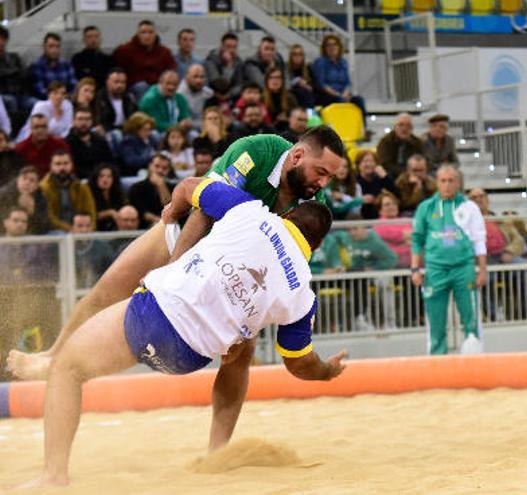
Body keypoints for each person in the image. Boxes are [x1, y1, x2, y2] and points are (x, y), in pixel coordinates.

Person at [7, 128, 346, 454]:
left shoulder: (310, 198)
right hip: (185, 235)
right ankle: (52, 355)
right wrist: (173, 269)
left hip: (223, 275)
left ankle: (218, 451)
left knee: (239, 359)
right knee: (106, 290)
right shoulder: (258, 151)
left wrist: (247, 319)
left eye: (330, 177)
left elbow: (286, 262)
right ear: (297, 155)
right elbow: (202, 208)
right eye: (320, 173)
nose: (323, 184)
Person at [411, 165, 487, 355]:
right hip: (435, 270)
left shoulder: (469, 207)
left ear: (459, 183)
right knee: (435, 321)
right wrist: (415, 269)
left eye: (451, 180)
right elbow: (417, 240)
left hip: (464, 268)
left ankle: (474, 361)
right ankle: (437, 364)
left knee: (471, 319)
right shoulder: (425, 207)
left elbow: (479, 239)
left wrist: (483, 270)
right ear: (437, 183)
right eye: (443, 181)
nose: (446, 185)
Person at [112, 20, 177, 99]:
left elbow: (171, 71)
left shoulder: (164, 52)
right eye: (143, 32)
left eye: (150, 32)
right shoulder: (125, 50)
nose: (147, 36)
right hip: (134, 86)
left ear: (155, 34)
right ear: (138, 34)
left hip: (158, 85)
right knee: (141, 87)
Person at [312, 34, 366, 122]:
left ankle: (362, 128)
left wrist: (345, 93)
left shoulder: (343, 62)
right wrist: (338, 95)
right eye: (329, 45)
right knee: (339, 100)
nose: (332, 47)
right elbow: (321, 84)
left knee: (359, 100)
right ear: (324, 48)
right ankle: (342, 127)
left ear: (339, 46)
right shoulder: (320, 62)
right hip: (326, 95)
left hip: (342, 95)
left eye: (334, 44)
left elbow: (348, 83)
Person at [39, 150, 97, 232]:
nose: (62, 168)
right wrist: (70, 229)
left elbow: (91, 213)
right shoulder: (43, 188)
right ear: (51, 166)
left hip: (82, 230)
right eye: (58, 164)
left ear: (71, 165)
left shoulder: (81, 187)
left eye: (66, 163)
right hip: (55, 231)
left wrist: (88, 229)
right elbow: (49, 217)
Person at [66, 107, 116, 180]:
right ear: (73, 121)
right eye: (80, 119)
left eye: (87, 119)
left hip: (102, 178)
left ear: (92, 121)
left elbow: (110, 161)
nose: (84, 123)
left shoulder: (100, 140)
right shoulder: (67, 142)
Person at [0, 165, 51, 234]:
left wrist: (32, 213)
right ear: (18, 180)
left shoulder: (41, 199)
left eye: (32, 181)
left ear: (36, 186)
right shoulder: (4, 194)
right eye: (24, 178)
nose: (27, 183)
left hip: (30, 235)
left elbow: (45, 227)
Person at [70, 213, 116, 288]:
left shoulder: (103, 247)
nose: (84, 230)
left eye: (88, 226)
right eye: (80, 226)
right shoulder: (65, 247)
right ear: (72, 228)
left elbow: (113, 273)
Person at [128, 154, 174, 229]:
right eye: (157, 166)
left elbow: (170, 209)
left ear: (168, 171)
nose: (160, 170)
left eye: (164, 168)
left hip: (167, 226)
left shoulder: (173, 188)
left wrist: (161, 186)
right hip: (143, 228)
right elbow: (143, 213)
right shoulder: (136, 188)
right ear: (150, 166)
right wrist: (161, 223)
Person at [29, 32, 77, 100]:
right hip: (46, 101)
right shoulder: (37, 66)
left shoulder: (66, 64)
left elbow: (74, 85)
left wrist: (69, 96)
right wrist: (57, 97)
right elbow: (40, 90)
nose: (54, 50)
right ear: (44, 47)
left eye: (57, 46)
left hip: (66, 99)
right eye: (51, 46)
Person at [377, 113, 423, 179]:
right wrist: (404, 172)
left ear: (412, 128)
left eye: (408, 125)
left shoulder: (417, 143)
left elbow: (421, 160)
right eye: (401, 125)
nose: (404, 128)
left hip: (412, 175)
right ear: (395, 127)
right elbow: (385, 164)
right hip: (390, 176)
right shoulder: (385, 142)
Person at [356, 149, 398, 220]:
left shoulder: (381, 179)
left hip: (381, 218)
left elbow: (396, 195)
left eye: (372, 161)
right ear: (358, 165)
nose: (369, 164)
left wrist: (385, 177)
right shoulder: (354, 180)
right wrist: (361, 200)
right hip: (360, 218)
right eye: (365, 161)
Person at [374, 192, 412, 269]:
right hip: (392, 266)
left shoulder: (405, 220)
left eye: (394, 203)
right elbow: (398, 237)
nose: (392, 206)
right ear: (380, 210)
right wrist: (407, 238)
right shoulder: (378, 224)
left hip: (412, 264)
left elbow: (416, 236)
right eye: (387, 205)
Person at [95, 68, 138, 133]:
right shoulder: (99, 99)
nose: (120, 85)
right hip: (108, 131)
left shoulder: (129, 98)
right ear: (107, 82)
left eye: (123, 82)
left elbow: (135, 117)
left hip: (127, 130)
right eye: (116, 82)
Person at [204, 33, 246, 97]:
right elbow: (216, 82)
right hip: (212, 95)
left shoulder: (239, 62)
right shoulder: (211, 59)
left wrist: (230, 94)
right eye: (228, 46)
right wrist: (228, 66)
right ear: (221, 46)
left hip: (230, 96)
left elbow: (239, 84)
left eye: (234, 47)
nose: (231, 50)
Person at [118, 112, 160, 176]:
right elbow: (131, 161)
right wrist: (153, 158)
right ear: (135, 129)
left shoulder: (151, 139)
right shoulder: (128, 142)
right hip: (134, 173)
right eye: (145, 129)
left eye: (150, 129)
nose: (148, 133)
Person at [88, 164, 127, 232]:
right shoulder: (89, 193)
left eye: (109, 176)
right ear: (96, 178)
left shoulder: (118, 194)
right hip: (96, 230)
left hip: (116, 229)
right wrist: (109, 213)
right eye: (101, 176)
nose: (105, 179)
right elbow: (89, 216)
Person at [0, 26, 29, 115]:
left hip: (18, 94)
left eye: (3, 39)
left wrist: (7, 73)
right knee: (11, 101)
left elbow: (25, 73)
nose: (1, 42)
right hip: (2, 96)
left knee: (35, 103)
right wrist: (14, 71)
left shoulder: (14, 57)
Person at [178, 64, 213, 130]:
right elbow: (183, 121)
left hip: (204, 125)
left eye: (202, 77)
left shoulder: (209, 93)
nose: (199, 81)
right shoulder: (179, 94)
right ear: (187, 77)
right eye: (195, 77)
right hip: (186, 129)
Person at [286, 44, 315, 109]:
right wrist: (298, 81)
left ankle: (309, 115)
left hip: (307, 95)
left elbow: (313, 85)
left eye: (300, 54)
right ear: (291, 56)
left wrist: (308, 86)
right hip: (292, 93)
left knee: (307, 93)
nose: (297, 57)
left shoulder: (308, 68)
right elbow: (287, 84)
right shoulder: (286, 67)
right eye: (295, 54)